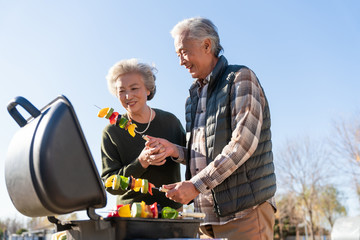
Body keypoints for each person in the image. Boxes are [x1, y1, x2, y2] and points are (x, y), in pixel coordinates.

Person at [146, 17, 276, 239]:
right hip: (206, 221)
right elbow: (207, 154)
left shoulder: (240, 79)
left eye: (184, 52)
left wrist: (195, 185)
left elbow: (243, 144)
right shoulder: (192, 99)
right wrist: (175, 151)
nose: (181, 62)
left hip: (244, 214)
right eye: (177, 55)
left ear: (207, 45)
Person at [101, 58, 184, 210]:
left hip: (172, 214)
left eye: (134, 88)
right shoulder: (111, 132)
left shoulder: (171, 122)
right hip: (130, 217)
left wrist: (173, 150)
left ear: (148, 89)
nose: (128, 96)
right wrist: (141, 162)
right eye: (122, 91)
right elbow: (110, 184)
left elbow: (193, 160)